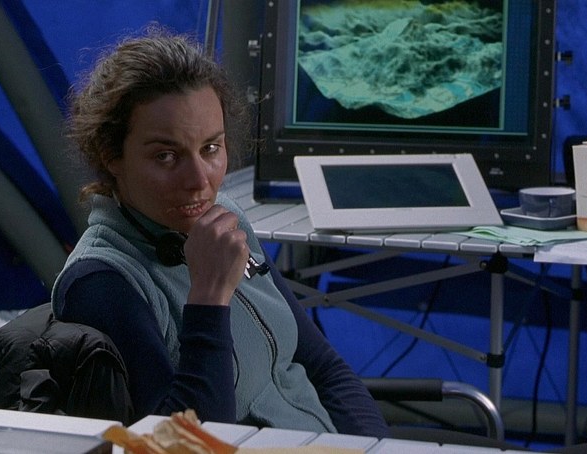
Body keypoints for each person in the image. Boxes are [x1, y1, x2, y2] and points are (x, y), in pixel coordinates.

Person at [51, 24, 389, 438]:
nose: (200, 181)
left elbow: (323, 367)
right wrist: (209, 297)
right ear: (111, 155)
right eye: (166, 156)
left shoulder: (226, 215)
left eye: (211, 148)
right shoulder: (102, 281)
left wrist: (377, 447)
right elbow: (182, 444)